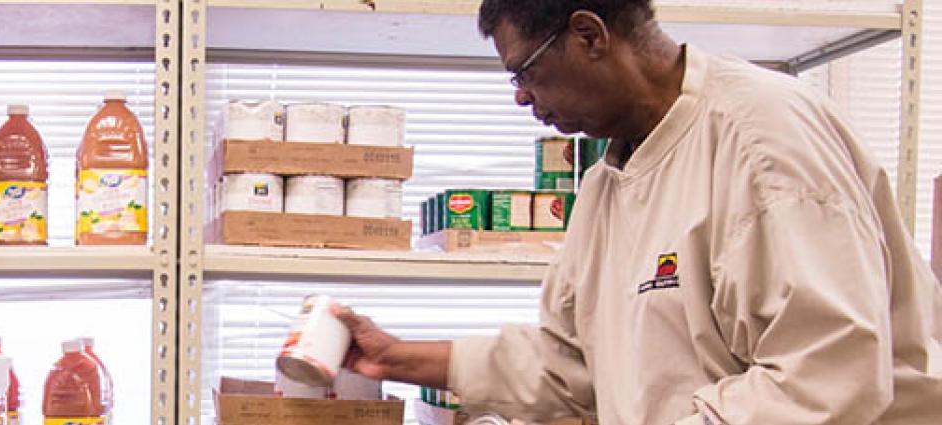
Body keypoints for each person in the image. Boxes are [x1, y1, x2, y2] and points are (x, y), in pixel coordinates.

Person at [334, 1, 942, 424]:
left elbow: (829, 380)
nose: (521, 96)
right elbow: (570, 361)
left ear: (589, 35)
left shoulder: (763, 143)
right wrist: (392, 356)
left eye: (526, 70)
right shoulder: (607, 183)